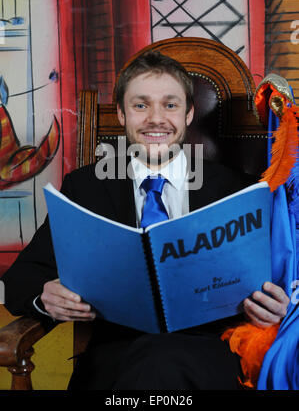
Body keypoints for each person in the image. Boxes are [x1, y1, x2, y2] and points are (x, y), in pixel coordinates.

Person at [1, 51, 289, 390]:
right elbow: (22, 278)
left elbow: (279, 275)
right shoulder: (86, 187)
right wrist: (45, 296)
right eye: (141, 105)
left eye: (170, 105)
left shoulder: (240, 190)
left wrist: (275, 305)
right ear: (122, 114)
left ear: (188, 113)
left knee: (163, 361)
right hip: (116, 357)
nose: (156, 119)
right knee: (149, 364)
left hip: (211, 354)